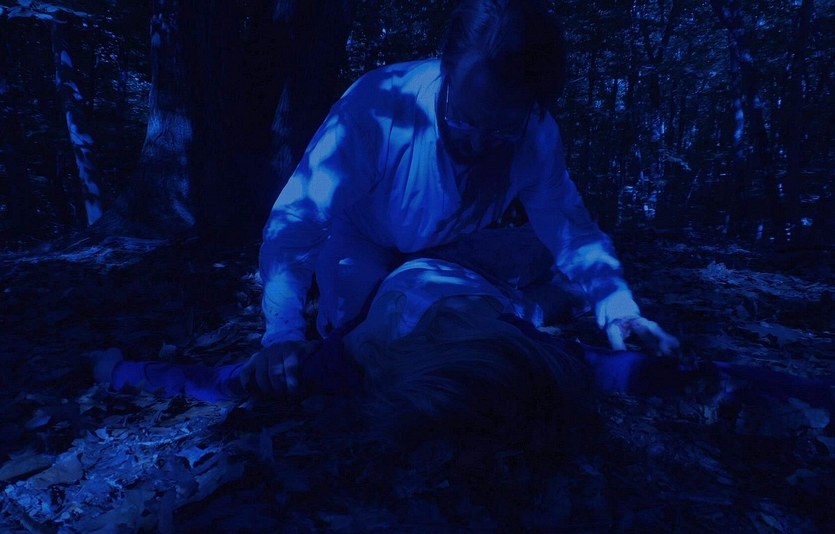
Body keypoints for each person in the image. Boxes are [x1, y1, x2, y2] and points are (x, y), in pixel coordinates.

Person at [255, 0, 678, 395]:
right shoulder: (378, 107)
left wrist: (619, 307)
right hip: (361, 236)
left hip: (454, 247)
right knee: (371, 337)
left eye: (502, 129)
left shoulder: (536, 134)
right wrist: (282, 335)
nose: (477, 143)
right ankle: (536, 300)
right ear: (447, 68)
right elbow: (299, 217)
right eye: (465, 120)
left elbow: (570, 228)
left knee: (453, 312)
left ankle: (529, 292)